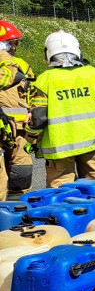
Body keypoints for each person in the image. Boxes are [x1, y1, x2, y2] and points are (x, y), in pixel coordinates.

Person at [25, 30, 95, 187]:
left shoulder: (45, 80)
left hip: (60, 149)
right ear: (77, 49)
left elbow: (38, 117)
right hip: (92, 143)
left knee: (62, 193)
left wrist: (31, 140)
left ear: (48, 53)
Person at [0, 20, 34, 198]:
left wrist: (32, 111)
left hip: (20, 129)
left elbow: (36, 91)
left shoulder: (22, 64)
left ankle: (16, 210)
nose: (14, 47)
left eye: (16, 42)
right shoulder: (5, 65)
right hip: (1, 127)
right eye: (10, 42)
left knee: (21, 174)